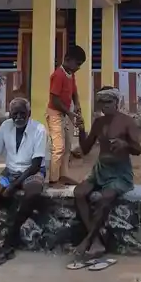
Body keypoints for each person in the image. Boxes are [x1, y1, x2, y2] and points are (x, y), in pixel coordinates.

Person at [0, 97, 48, 270]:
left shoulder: (39, 129)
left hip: (31, 171)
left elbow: (36, 164)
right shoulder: (5, 126)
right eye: (15, 113)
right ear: (10, 114)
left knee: (33, 192)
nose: (19, 117)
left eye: (23, 113)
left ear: (29, 114)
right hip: (10, 171)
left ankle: (12, 235)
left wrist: (13, 186)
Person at [74, 86, 141, 257]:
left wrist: (125, 145)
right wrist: (81, 130)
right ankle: (96, 241)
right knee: (79, 192)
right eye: (102, 103)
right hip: (100, 170)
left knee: (106, 197)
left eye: (109, 102)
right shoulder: (98, 123)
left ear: (116, 103)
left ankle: (88, 240)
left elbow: (137, 149)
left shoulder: (127, 122)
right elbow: (86, 148)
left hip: (119, 172)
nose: (106, 106)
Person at [47, 45, 86, 186]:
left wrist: (77, 105)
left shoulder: (70, 73)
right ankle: (53, 179)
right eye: (78, 64)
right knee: (58, 147)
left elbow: (74, 91)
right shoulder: (58, 75)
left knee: (68, 146)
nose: (78, 67)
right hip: (55, 114)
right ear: (68, 59)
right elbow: (54, 100)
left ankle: (63, 175)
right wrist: (70, 112)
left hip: (64, 113)